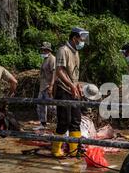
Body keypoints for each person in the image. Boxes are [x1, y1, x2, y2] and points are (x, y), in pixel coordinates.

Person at [51, 27, 89, 157]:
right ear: (74, 38)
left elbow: (74, 73)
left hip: (73, 89)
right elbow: (60, 70)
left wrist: (77, 86)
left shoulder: (76, 52)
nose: (82, 41)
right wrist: (71, 85)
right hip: (63, 89)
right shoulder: (63, 50)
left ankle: (73, 151)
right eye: (81, 39)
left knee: (75, 120)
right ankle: (56, 150)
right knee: (64, 121)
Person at [35, 42, 56, 130]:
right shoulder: (45, 59)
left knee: (52, 106)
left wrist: (51, 86)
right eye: (42, 50)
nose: (42, 51)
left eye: (44, 50)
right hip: (42, 86)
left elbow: (54, 73)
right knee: (40, 105)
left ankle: (59, 123)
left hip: (48, 86)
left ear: (48, 50)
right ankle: (43, 123)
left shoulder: (52, 59)